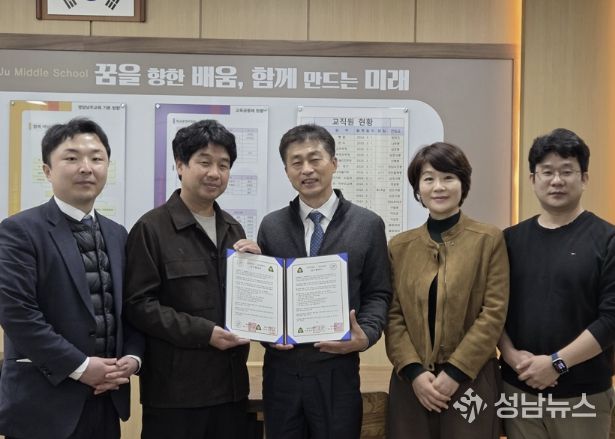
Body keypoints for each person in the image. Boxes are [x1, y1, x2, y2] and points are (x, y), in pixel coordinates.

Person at [0, 118, 144, 439]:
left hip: (106, 399)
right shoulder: (19, 231)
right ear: (47, 170)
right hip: (43, 406)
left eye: (96, 158)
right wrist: (81, 367)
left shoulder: (117, 234)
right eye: (71, 157)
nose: (86, 167)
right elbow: (17, 315)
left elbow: (130, 308)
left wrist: (133, 358)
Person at [124, 119, 259, 439]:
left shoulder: (233, 229)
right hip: (175, 395)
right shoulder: (151, 228)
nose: (215, 173)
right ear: (180, 165)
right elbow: (138, 305)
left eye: (223, 165)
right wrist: (204, 333)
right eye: (204, 162)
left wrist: (259, 270)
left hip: (231, 389)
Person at [256, 124, 392, 439]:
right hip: (282, 374)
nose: (307, 169)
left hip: (337, 372)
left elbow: (378, 293)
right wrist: (265, 335)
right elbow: (266, 298)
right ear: (287, 171)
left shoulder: (367, 225)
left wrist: (366, 336)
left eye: (315, 159)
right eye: (296, 162)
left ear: (333, 163)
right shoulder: (272, 226)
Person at [385, 142, 509, 439]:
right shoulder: (400, 247)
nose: (438, 187)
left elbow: (493, 313)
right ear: (418, 188)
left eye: (448, 177)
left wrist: (455, 372)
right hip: (412, 384)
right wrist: (415, 373)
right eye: (428, 179)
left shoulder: (488, 239)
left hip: (471, 379)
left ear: (463, 184)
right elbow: (392, 315)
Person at [498, 128, 615, 439]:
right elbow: (493, 309)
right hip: (518, 390)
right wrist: (510, 356)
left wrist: (556, 364)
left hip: (582, 395)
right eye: (547, 172)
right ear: (532, 179)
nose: (557, 180)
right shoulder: (509, 240)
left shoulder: (608, 240)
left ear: (584, 178)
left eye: (567, 171)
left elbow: (611, 320)